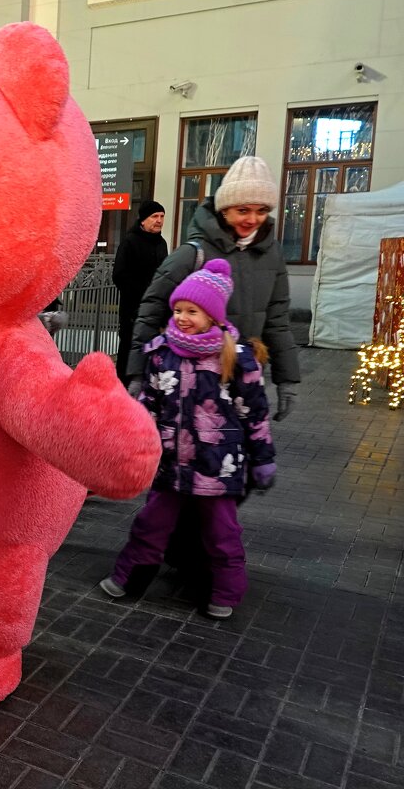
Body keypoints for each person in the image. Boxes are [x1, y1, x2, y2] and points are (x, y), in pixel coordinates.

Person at [101, 260, 275, 619]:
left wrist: (262, 457)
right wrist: (131, 442)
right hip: (169, 465)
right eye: (178, 309)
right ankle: (128, 578)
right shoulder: (161, 353)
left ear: (212, 316)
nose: (182, 317)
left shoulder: (236, 359)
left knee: (222, 535)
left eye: (192, 311)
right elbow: (147, 404)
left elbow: (253, 413)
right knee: (150, 525)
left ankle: (224, 593)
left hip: (217, 469)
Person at [127, 157, 300, 421]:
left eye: (262, 210)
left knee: (243, 451)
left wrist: (287, 379)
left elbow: (277, 320)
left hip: (245, 378)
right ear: (225, 209)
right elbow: (151, 310)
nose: (253, 219)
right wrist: (137, 373)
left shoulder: (272, 253)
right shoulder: (193, 253)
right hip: (193, 380)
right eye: (243, 210)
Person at [112, 200, 168, 380]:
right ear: (143, 220)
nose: (159, 220)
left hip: (155, 309)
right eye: (155, 216)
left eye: (161, 216)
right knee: (128, 350)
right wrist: (141, 294)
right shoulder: (130, 242)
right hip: (133, 310)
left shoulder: (161, 243)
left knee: (151, 349)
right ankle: (122, 389)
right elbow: (119, 275)